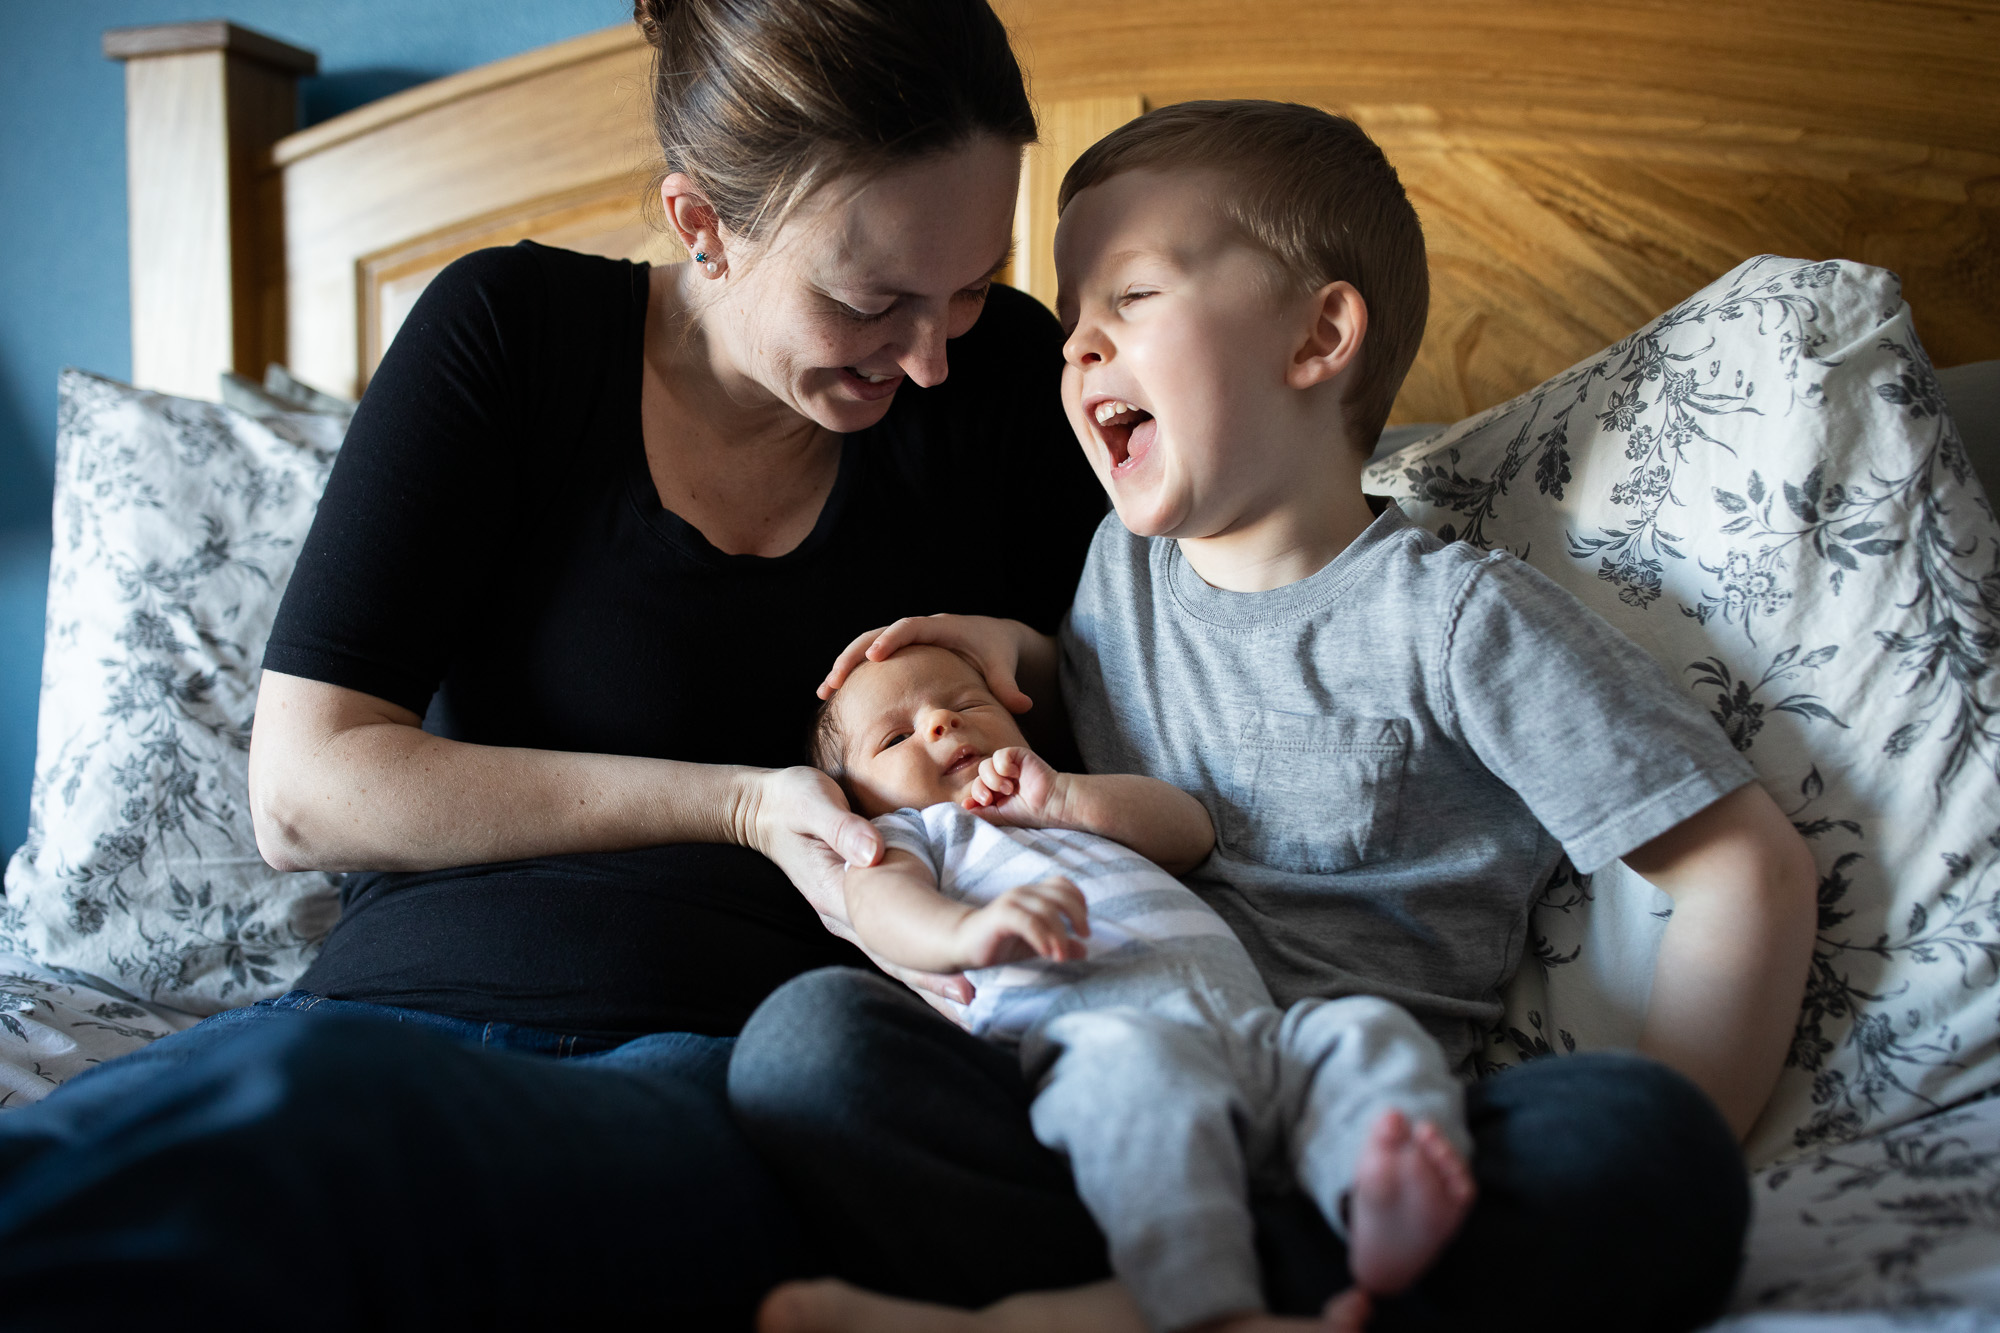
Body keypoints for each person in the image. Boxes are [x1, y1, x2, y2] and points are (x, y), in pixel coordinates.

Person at [0, 2, 1110, 1326]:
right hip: (361, 1011)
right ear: (701, 223)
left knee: (313, 1151)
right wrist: (746, 804)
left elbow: (1168, 710)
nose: (933, 355)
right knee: (175, 1155)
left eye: (973, 286)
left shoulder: (1003, 392)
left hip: (716, 1061)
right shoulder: (510, 333)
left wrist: (1028, 649)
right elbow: (305, 791)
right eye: (871, 300)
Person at [735, 101, 1820, 1333]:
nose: (1076, 347)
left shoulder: (1455, 620)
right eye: (1069, 317)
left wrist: (1677, 1121)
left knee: (1643, 1144)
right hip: (1100, 1098)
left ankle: (1101, 1312)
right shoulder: (1113, 577)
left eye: (1129, 297)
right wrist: (1002, 650)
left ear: (1318, 335)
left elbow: (1743, 868)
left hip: (1361, 1131)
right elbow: (1084, 683)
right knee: (804, 1047)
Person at [811, 641, 1474, 1332]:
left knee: (1361, 1028)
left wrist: (1062, 796)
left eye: (964, 702)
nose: (942, 724)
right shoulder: (913, 832)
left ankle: (1376, 1194)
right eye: (895, 736)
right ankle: (1210, 1306)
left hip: (1260, 1034)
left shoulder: (1059, 793)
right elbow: (879, 908)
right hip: (1102, 1048)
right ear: (855, 795)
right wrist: (962, 935)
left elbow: (1190, 830)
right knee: (1142, 1084)